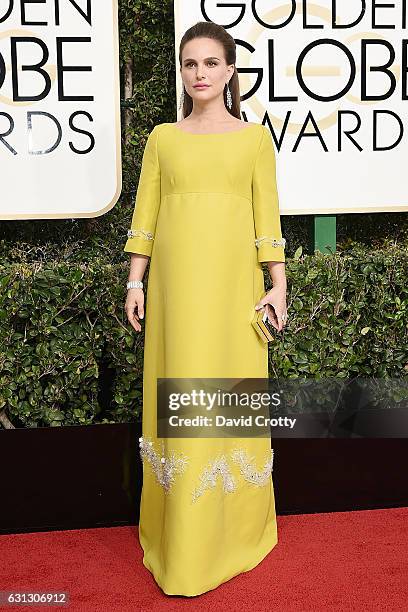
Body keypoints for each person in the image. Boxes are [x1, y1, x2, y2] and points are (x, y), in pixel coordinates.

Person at [123, 21, 288, 597]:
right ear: (182, 72)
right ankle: (181, 540)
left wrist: (278, 285)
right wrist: (135, 284)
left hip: (232, 292)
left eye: (211, 64)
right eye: (190, 64)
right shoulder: (162, 138)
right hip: (175, 295)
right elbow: (146, 217)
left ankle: (234, 532)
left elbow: (266, 218)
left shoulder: (253, 140)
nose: (199, 74)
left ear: (230, 71)